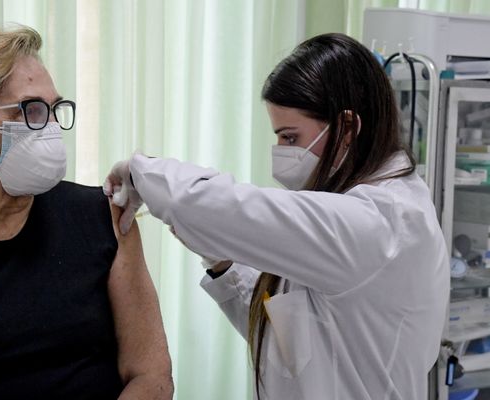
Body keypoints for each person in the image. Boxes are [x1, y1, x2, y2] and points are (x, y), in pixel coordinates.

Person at [104, 33, 449, 400]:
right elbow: (294, 344)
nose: (281, 154)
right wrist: (224, 263)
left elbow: (226, 206)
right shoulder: (352, 215)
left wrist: (142, 172)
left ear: (347, 129)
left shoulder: (379, 224)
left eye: (289, 138)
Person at [0, 26, 173, 400]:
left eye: (55, 109)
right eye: (31, 111)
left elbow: (152, 376)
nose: (51, 127)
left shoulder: (104, 218)